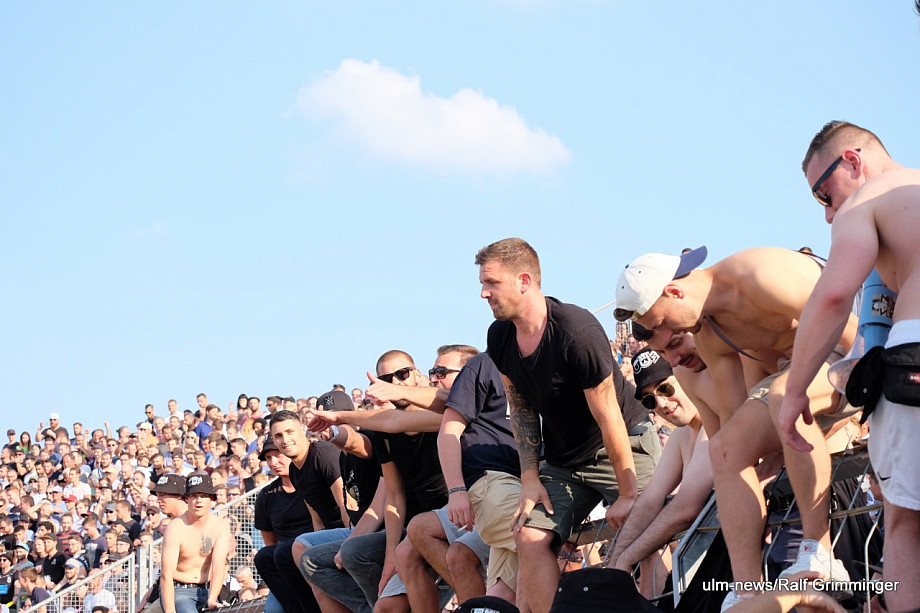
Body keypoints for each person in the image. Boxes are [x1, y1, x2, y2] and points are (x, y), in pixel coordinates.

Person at [615, 246, 859, 610]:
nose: (671, 352)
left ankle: (819, 551)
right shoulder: (711, 334)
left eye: (668, 331)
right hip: (794, 379)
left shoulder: (757, 275)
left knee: (783, 395)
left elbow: (856, 336)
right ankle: (747, 588)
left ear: (674, 291)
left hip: (849, 354)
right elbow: (734, 425)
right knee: (723, 449)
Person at [779, 121, 920, 613]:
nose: (827, 213)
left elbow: (834, 295)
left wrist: (795, 391)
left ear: (854, 161)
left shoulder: (868, 198)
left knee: (905, 525)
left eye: (824, 194)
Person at [477, 238, 660, 613]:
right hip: (565, 460)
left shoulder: (576, 331)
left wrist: (627, 495)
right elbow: (521, 407)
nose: (483, 293)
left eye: (491, 283)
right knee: (528, 535)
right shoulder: (500, 335)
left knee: (646, 529)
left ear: (524, 281)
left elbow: (609, 416)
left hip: (622, 443)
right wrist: (530, 477)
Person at [609, 348, 712, 593]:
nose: (661, 404)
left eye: (665, 388)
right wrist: (614, 564)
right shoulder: (682, 435)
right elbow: (649, 501)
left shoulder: (714, 423)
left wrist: (626, 558)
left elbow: (686, 508)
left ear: (686, 374)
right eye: (649, 400)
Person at [261, 410, 348, 613]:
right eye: (278, 436)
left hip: (351, 531)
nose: (285, 440)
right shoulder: (294, 470)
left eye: (290, 432)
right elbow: (316, 517)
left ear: (302, 429)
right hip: (328, 533)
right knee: (266, 557)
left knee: (285, 552)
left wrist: (348, 546)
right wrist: (316, 544)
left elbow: (346, 505)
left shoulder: (322, 453)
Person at [253, 435, 316, 613]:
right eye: (268, 458)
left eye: (278, 455)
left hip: (313, 554)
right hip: (286, 564)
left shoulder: (312, 482)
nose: (273, 462)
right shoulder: (266, 495)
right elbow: (270, 543)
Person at [159, 474, 232, 613]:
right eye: (194, 496)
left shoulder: (220, 526)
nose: (198, 501)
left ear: (211, 499)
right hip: (179, 591)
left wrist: (212, 598)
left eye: (203, 496)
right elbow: (166, 574)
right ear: (186, 499)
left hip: (207, 589)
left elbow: (219, 566)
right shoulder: (176, 527)